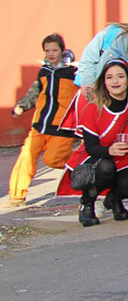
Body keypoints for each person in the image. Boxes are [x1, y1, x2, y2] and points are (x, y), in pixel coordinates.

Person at [59, 59, 128, 227]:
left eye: (120, 76)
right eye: (109, 77)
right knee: (106, 167)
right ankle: (87, 202)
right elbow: (91, 148)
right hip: (93, 158)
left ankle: (114, 199)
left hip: (122, 159)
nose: (115, 81)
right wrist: (109, 151)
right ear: (103, 82)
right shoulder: (93, 108)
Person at [8, 33, 78, 207]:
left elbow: (85, 96)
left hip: (62, 126)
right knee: (26, 157)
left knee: (52, 160)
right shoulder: (44, 71)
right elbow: (35, 92)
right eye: (47, 51)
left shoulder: (74, 72)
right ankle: (16, 197)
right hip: (40, 124)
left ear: (62, 50)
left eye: (54, 50)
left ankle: (81, 165)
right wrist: (22, 105)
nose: (51, 54)